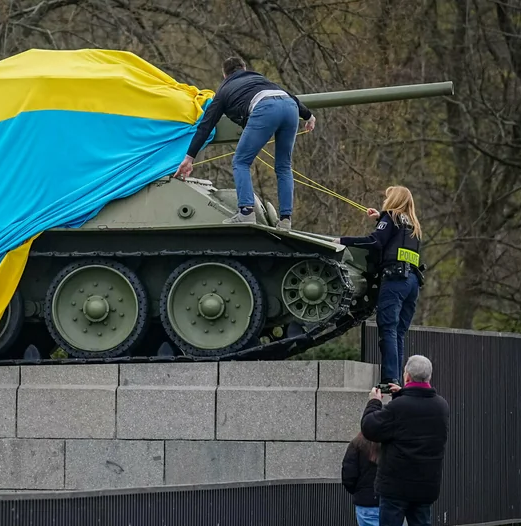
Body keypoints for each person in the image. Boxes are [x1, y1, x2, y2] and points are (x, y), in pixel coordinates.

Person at [174, 56, 316, 230]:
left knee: (240, 162)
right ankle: (286, 220)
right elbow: (289, 96)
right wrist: (308, 116)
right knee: (284, 166)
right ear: (244, 68)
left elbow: (206, 125)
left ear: (225, 75)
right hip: (290, 107)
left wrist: (189, 158)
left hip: (265, 108)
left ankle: (246, 212)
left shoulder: (224, 90)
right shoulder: (259, 78)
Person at [361, 355, 450, 526]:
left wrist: (374, 403)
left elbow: (370, 428)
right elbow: (415, 414)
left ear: (407, 376)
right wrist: (403, 394)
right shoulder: (441, 406)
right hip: (425, 489)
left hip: (395, 489)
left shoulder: (397, 408)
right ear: (429, 377)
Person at [336, 186, 424, 386]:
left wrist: (342, 241)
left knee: (388, 329)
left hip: (395, 280)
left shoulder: (391, 216)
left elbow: (375, 241)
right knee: (398, 333)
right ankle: (397, 381)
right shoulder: (413, 224)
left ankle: (389, 378)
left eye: (387, 198)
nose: (385, 201)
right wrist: (380, 219)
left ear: (394, 200)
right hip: (412, 283)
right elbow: (395, 238)